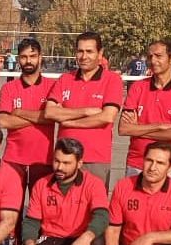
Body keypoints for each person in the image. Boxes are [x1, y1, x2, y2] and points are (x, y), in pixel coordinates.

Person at [8, 138, 108, 245]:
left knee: (98, 243)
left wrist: (86, 237)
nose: (59, 167)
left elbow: (102, 216)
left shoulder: (94, 184)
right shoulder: (42, 184)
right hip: (52, 240)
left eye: (66, 163)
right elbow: (31, 221)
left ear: (79, 163)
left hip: (79, 241)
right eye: (56, 161)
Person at [44, 31, 123, 190]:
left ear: (100, 53)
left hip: (96, 159)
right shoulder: (65, 79)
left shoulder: (112, 80)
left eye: (89, 51)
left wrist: (68, 121)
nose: (84, 56)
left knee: (94, 204)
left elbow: (107, 117)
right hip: (65, 158)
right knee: (63, 203)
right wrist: (86, 111)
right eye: (80, 51)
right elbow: (49, 112)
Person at [118, 39, 171, 180]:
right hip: (137, 163)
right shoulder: (137, 87)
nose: (153, 61)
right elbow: (124, 129)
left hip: (169, 165)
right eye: (150, 56)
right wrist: (160, 126)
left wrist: (138, 129)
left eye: (158, 56)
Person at [0, 38, 56, 215]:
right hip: (14, 159)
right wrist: (40, 117)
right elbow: (3, 121)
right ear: (18, 59)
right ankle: (14, 235)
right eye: (23, 57)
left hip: (43, 159)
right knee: (11, 212)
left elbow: (52, 117)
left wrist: (19, 112)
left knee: (41, 212)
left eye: (32, 56)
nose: (28, 61)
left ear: (40, 57)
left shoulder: (52, 87)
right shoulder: (9, 88)